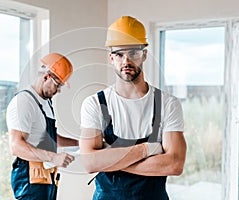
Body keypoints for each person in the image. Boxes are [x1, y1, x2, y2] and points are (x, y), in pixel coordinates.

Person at [79, 16, 187, 200]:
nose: (126, 61)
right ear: (111, 57)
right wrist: (147, 150)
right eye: (120, 54)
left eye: (133, 53)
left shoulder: (167, 104)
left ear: (144, 54)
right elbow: (89, 163)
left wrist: (109, 159)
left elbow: (174, 164)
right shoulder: (95, 104)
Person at [7, 53, 78, 200]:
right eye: (58, 85)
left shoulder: (45, 103)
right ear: (46, 77)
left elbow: (50, 138)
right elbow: (16, 146)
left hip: (46, 176)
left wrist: (80, 143)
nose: (59, 90)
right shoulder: (24, 102)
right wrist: (54, 157)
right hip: (30, 179)